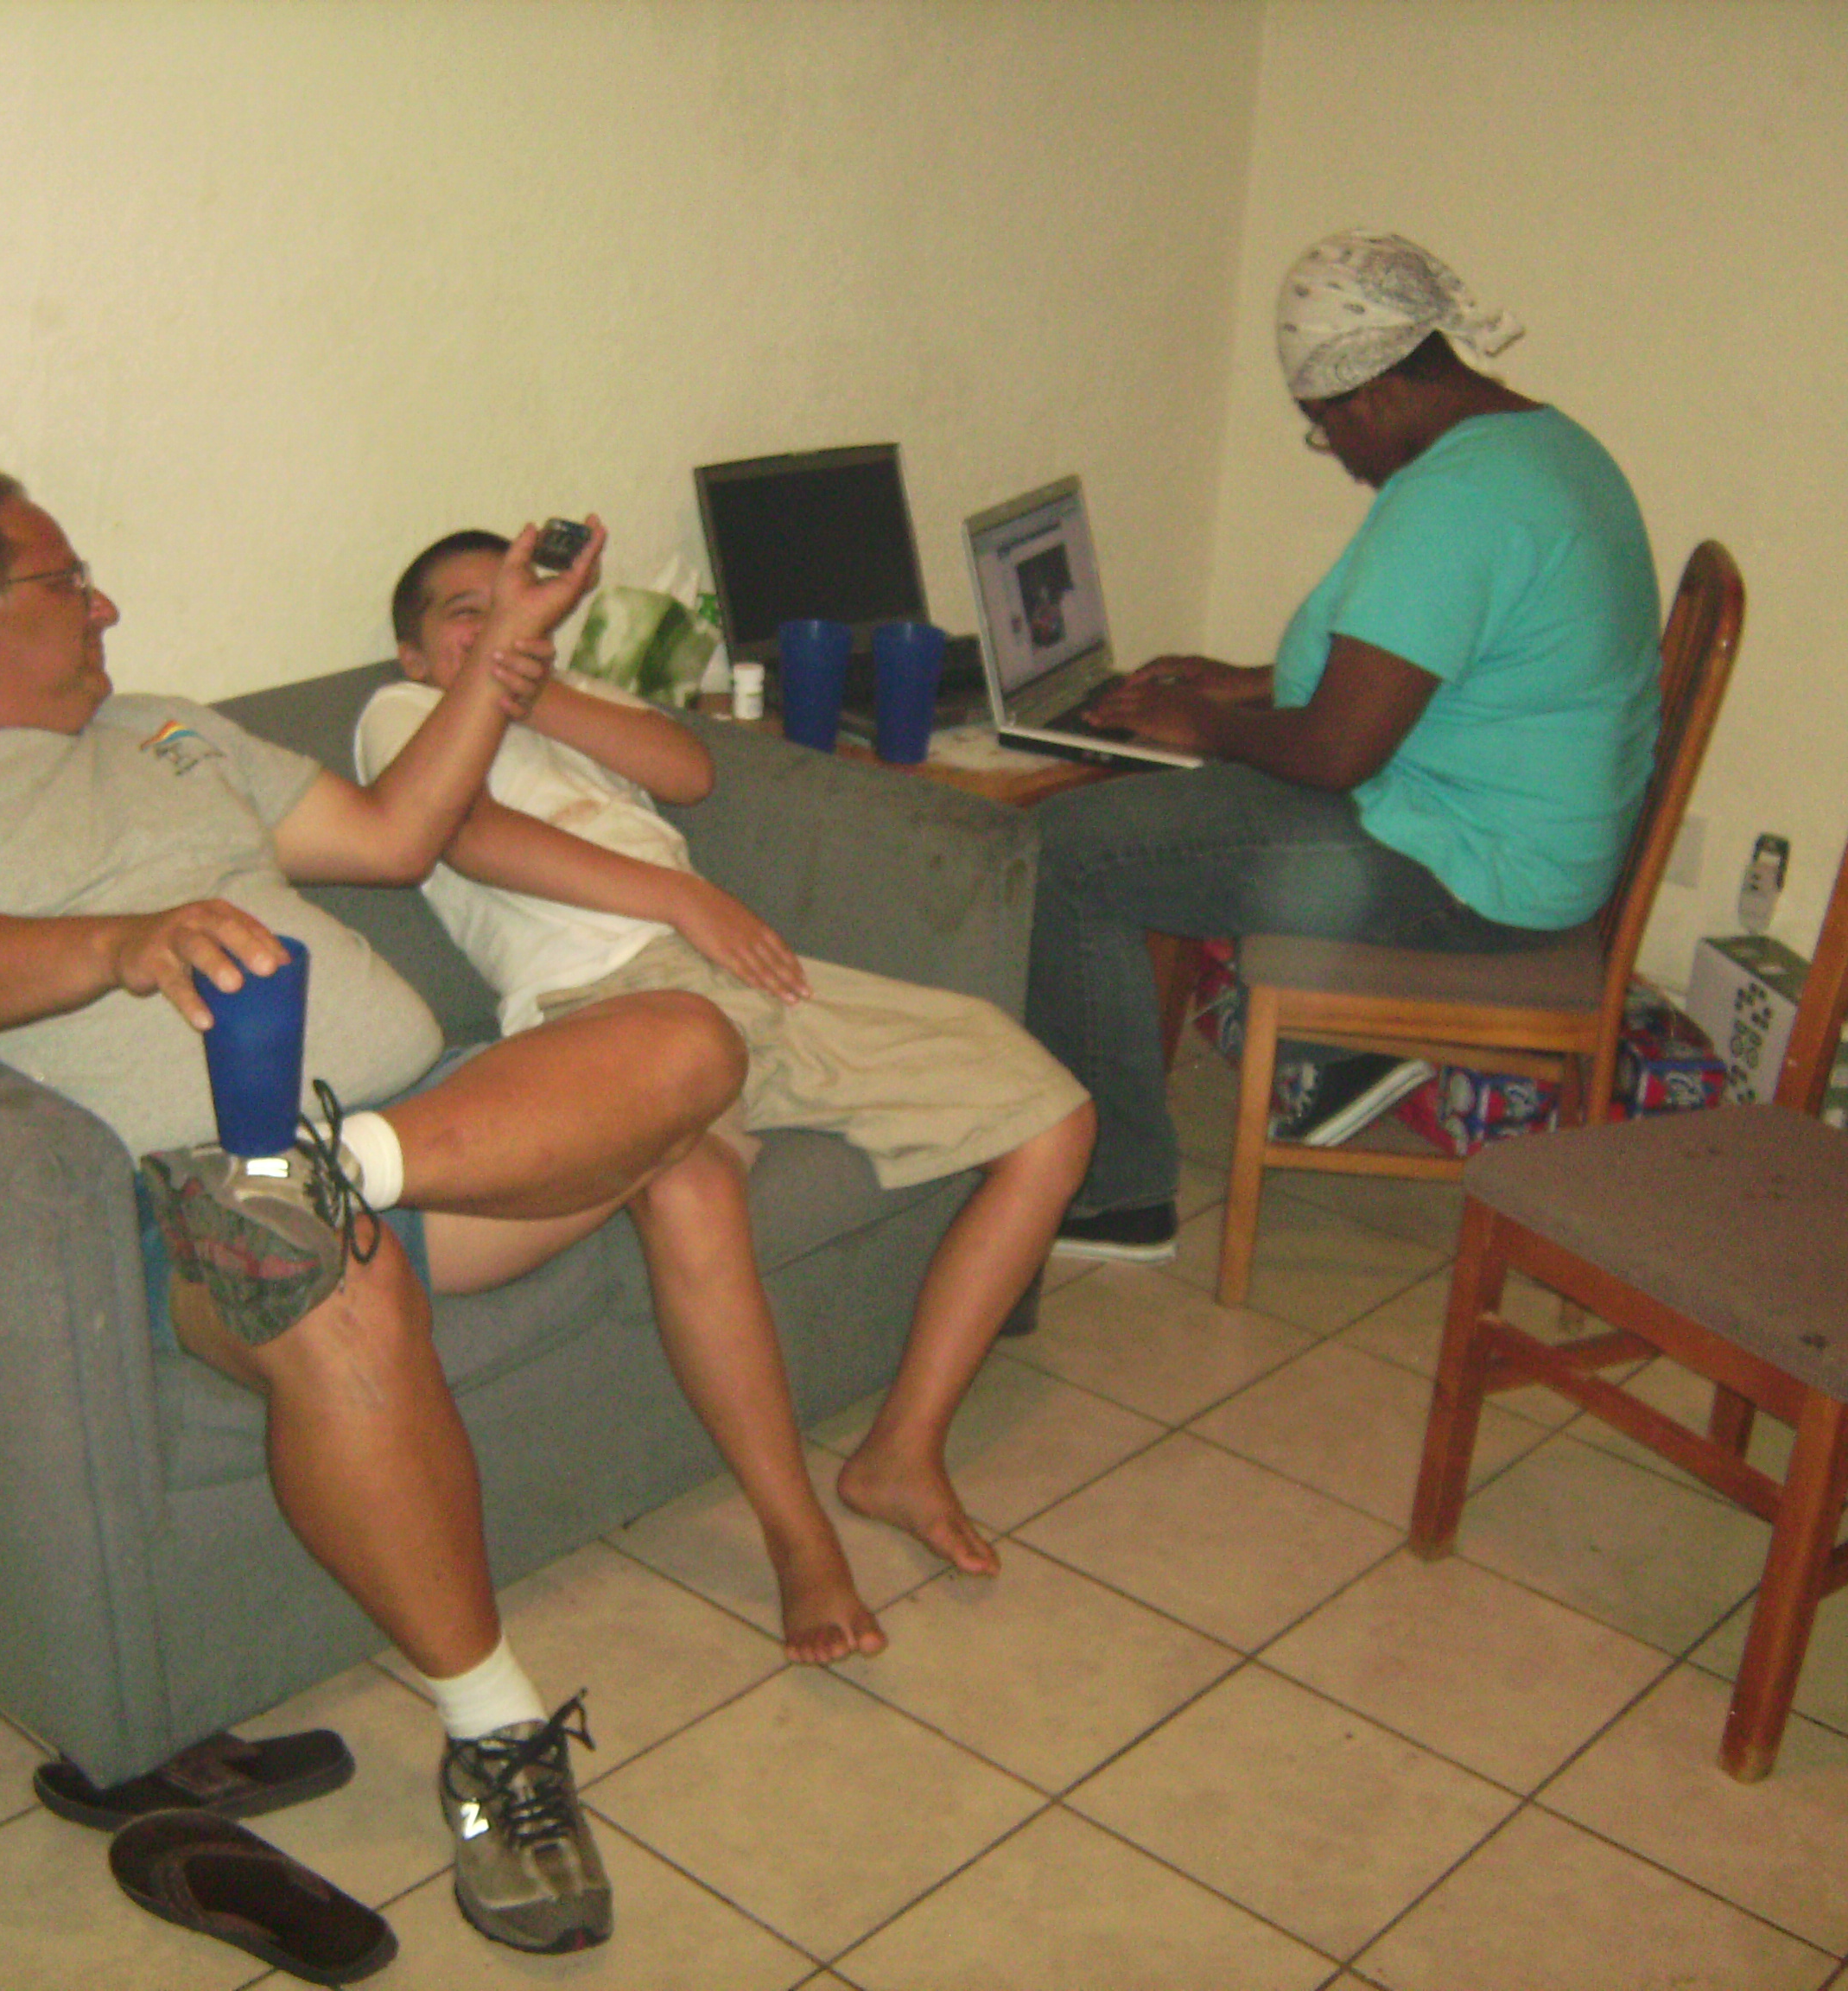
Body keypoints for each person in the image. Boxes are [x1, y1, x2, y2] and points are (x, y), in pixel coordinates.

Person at [0, 473, 769, 1957]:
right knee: (323, 1283)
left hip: (419, 1141)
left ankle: (339, 1168)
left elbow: (396, 836)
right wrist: (116, 943)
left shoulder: (170, 728)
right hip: (193, 1200)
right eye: (69, 579)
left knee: (688, 1041)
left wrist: (509, 640)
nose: (104, 603)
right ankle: (496, 1738)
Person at [360, 529, 1095, 1625]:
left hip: (737, 977)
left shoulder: (568, 700)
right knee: (692, 1187)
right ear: (415, 654)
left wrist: (536, 684)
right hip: (598, 1014)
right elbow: (463, 837)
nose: (498, 622)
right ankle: (796, 1534)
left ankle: (902, 1450)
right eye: (467, 613)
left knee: (1053, 1119)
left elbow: (689, 771)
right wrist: (682, 899)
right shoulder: (403, 715)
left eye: (516, 604)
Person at [1028, 230, 1663, 1264]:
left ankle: (1116, 1193)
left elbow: (1335, 754)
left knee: (1062, 851)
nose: (1341, 456)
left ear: (1373, 395)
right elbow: (1426, 663)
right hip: (1517, 836)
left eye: (1326, 429)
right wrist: (1239, 683)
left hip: (1471, 871)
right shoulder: (1542, 448)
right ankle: (1326, 1060)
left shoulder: (1456, 502)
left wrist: (1206, 725)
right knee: (1150, 816)